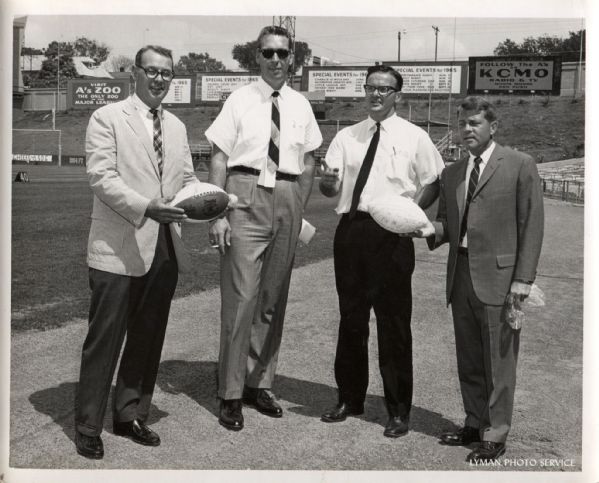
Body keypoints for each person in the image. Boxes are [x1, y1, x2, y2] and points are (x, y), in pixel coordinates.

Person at [74, 45, 200, 459]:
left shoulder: (178, 127)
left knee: (147, 337)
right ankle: (88, 424)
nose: (159, 79)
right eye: (152, 71)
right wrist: (147, 207)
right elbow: (100, 177)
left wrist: (209, 202)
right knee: (105, 339)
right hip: (117, 245)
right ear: (135, 75)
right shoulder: (107, 117)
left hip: (163, 246)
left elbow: (187, 178)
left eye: (167, 73)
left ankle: (129, 414)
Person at [412, 96, 544, 461]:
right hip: (461, 275)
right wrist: (419, 227)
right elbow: (447, 225)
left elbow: (531, 225)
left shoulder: (519, 165)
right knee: (469, 357)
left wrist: (524, 279)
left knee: (499, 361)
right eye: (463, 124)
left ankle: (495, 433)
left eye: (475, 124)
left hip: (501, 279)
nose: (466, 130)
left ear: (493, 127)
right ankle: (474, 420)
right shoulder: (453, 172)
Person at [205, 25, 322, 431]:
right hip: (243, 192)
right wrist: (217, 212)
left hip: (287, 196)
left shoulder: (301, 105)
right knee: (242, 298)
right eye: (268, 53)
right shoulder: (239, 100)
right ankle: (231, 392)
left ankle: (260, 382)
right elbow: (218, 157)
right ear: (257, 56)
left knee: (272, 298)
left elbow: (308, 162)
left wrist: (297, 205)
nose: (276, 59)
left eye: (283, 53)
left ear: (293, 59)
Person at [318, 65, 444, 438]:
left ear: (397, 96)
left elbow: (433, 182)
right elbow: (331, 189)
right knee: (351, 320)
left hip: (393, 236)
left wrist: (410, 216)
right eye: (371, 88)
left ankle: (398, 410)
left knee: (394, 325)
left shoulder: (415, 136)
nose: (376, 95)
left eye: (385, 90)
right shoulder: (346, 136)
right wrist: (327, 184)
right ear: (364, 91)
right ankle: (349, 398)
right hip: (353, 231)